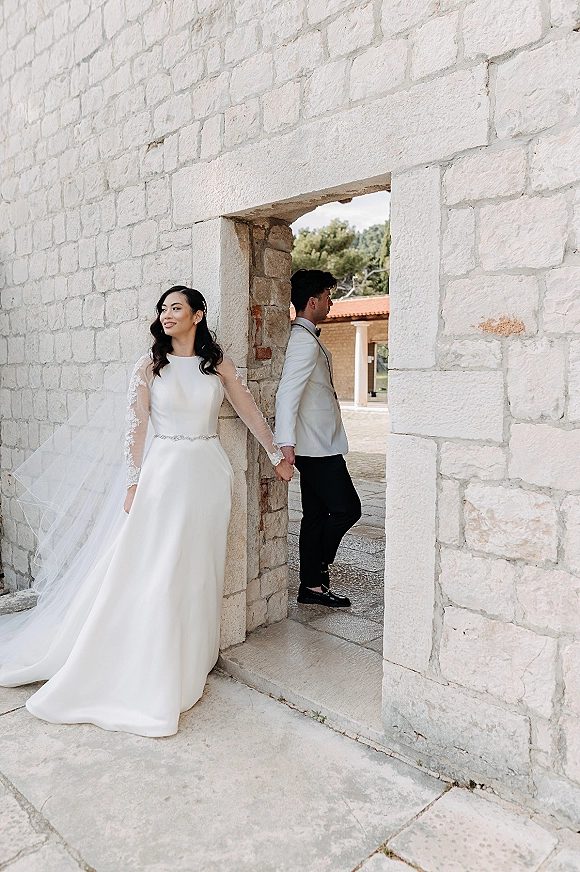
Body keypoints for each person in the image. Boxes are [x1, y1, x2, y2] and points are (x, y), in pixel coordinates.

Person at [0, 286, 293, 737]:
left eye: (176, 307)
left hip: (210, 474)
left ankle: (191, 657)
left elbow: (249, 410)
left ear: (198, 315)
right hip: (165, 474)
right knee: (160, 568)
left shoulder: (217, 365)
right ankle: (150, 664)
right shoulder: (149, 365)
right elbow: (135, 426)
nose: (167, 314)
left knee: (198, 569)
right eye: (163, 308)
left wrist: (276, 454)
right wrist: (134, 481)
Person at [275, 270, 361, 608]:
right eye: (327, 296)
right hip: (315, 447)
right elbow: (287, 394)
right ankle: (318, 569)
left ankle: (310, 586)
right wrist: (286, 444)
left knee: (314, 516)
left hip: (318, 443)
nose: (331, 302)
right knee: (347, 509)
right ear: (312, 301)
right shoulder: (302, 341)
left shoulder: (307, 338)